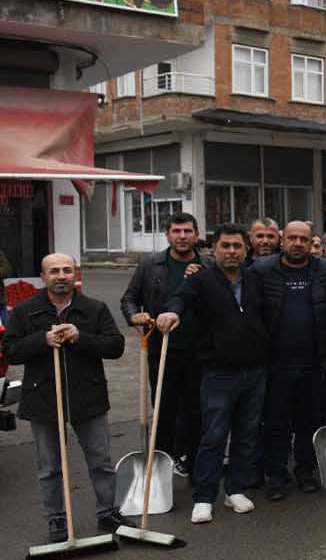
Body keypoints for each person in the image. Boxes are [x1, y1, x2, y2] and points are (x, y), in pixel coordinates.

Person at [6, 253, 129, 541]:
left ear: (75, 274)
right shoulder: (25, 311)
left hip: (89, 395)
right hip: (43, 398)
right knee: (49, 467)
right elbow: (11, 351)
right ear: (43, 276)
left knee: (100, 460)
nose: (61, 275)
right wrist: (42, 340)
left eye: (67, 270)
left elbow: (116, 346)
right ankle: (57, 519)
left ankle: (108, 512)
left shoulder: (94, 309)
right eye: (54, 271)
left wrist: (80, 337)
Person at [159, 224, 271, 524]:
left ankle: (235, 489)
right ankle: (204, 496)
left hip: (255, 370)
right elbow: (179, 298)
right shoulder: (201, 280)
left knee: (247, 435)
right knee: (213, 436)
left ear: (246, 249)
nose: (232, 251)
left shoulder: (256, 279)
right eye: (225, 246)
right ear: (214, 249)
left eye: (237, 246)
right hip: (218, 373)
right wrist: (172, 312)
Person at [252, 221, 326, 499]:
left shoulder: (323, 270)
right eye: (292, 238)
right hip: (275, 361)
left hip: (314, 359)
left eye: (304, 239)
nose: (298, 243)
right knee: (275, 421)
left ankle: (305, 470)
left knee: (309, 418)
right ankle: (276, 474)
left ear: (312, 243)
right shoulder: (262, 271)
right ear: (282, 240)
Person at [120, 211, 205, 477]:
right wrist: (135, 315)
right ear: (167, 234)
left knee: (197, 411)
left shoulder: (208, 266)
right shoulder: (150, 265)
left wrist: (203, 279)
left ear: (196, 234)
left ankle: (194, 463)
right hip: (162, 350)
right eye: (176, 231)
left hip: (199, 351)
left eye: (187, 231)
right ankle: (162, 466)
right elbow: (129, 298)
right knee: (164, 411)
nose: (182, 236)